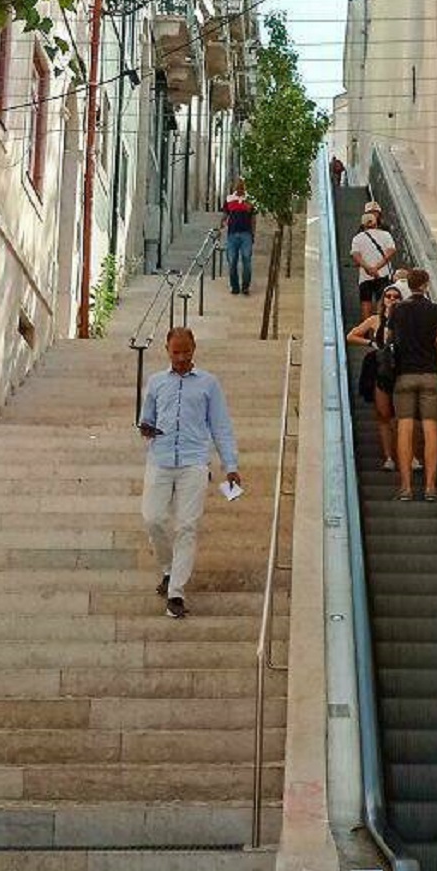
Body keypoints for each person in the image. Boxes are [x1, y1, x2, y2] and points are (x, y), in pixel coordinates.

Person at [138, 327, 241, 620]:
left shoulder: (209, 384)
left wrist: (230, 465)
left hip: (194, 463)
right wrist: (146, 428)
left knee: (187, 526)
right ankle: (169, 570)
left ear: (194, 348)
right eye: (176, 352)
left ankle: (176, 593)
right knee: (153, 518)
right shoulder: (156, 382)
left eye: (186, 351)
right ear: (167, 351)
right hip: (160, 459)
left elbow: (221, 426)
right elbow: (147, 419)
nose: (181, 357)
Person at [392, 268, 437, 502]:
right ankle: (429, 488)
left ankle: (406, 487)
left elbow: (388, 341)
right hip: (430, 376)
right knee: (430, 429)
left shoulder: (398, 310)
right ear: (426, 285)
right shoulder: (436, 311)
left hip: (404, 376)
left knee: (404, 430)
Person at [347, 283, 402, 469]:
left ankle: (409, 456)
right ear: (383, 300)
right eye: (389, 296)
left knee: (403, 416)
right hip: (381, 369)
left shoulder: (405, 319)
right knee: (383, 415)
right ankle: (389, 457)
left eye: (396, 297)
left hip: (401, 371)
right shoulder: (375, 320)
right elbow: (351, 336)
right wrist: (370, 342)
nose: (392, 299)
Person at [350, 210, 396, 320]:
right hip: (383, 275)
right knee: (382, 302)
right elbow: (391, 251)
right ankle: (380, 329)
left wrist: (368, 268)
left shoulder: (357, 238)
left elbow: (355, 255)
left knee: (366, 303)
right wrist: (377, 267)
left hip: (365, 277)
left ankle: (368, 331)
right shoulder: (386, 235)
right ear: (376, 222)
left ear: (363, 224)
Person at [220, 177, 256, 296]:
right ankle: (235, 287)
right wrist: (221, 224)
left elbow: (253, 218)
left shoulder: (250, 200)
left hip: (246, 234)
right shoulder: (229, 199)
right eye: (238, 185)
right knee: (232, 261)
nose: (240, 187)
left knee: (247, 260)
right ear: (234, 187)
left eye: (242, 185)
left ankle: (245, 287)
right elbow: (225, 214)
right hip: (232, 234)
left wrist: (253, 233)